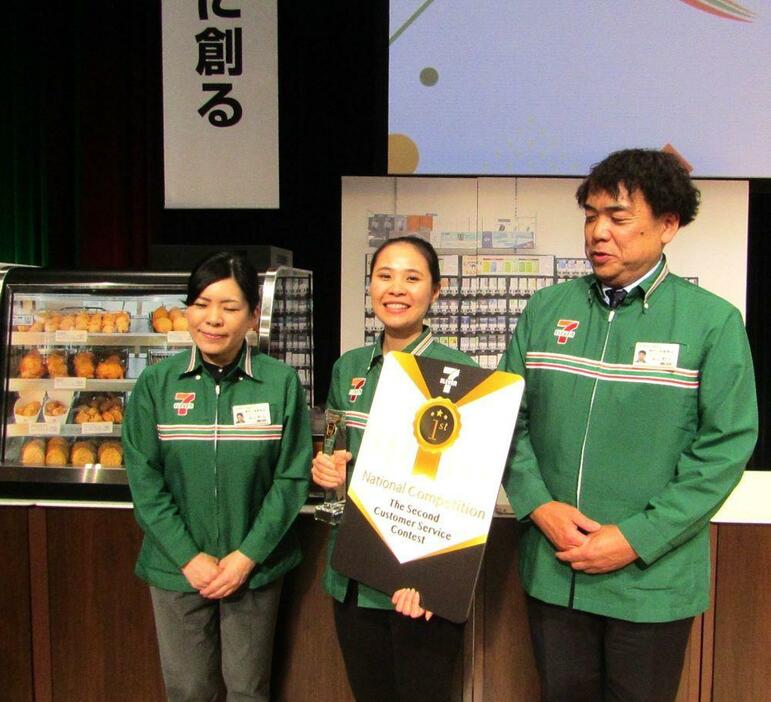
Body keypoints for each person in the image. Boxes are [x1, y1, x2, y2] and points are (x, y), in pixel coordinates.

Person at [501, 149, 757, 702]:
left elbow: (725, 448)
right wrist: (539, 505)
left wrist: (635, 538)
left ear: (667, 225)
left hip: (651, 581)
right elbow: (504, 421)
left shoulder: (712, 322)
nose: (598, 232)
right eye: (591, 215)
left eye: (618, 218)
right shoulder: (545, 309)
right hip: (555, 568)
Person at [124, 252, 311, 702]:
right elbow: (145, 481)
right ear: (188, 309)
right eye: (202, 304)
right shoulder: (157, 384)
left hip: (253, 567)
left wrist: (246, 556)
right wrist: (190, 557)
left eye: (229, 307)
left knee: (248, 689)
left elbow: (290, 478)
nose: (213, 319)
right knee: (189, 689)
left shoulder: (280, 382)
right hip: (177, 567)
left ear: (251, 317)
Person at [311, 235, 476, 702]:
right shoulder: (349, 368)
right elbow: (336, 454)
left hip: (416, 590)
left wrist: (432, 582)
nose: (396, 288)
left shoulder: (460, 373)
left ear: (436, 291)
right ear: (370, 286)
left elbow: (466, 488)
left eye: (412, 277)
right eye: (384, 276)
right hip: (352, 577)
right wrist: (327, 472)